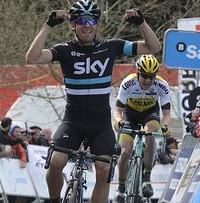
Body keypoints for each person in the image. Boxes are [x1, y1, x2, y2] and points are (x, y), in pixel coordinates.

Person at [25, 0, 161, 202]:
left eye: (90, 20)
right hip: (73, 121)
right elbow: (32, 57)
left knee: (104, 169)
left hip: (100, 124)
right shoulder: (64, 50)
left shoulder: (111, 47)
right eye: (81, 20)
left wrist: (141, 22)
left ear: (96, 24)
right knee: (55, 162)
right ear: (73, 25)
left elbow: (154, 47)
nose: (86, 25)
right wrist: (48, 25)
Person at [113, 54, 171, 200]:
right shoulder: (128, 83)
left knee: (151, 135)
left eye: (151, 77)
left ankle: (146, 178)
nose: (148, 80)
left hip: (150, 114)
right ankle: (120, 189)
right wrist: (119, 121)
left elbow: (167, 114)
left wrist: (164, 126)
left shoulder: (162, 85)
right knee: (126, 151)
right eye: (144, 76)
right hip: (129, 114)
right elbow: (118, 110)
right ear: (138, 73)